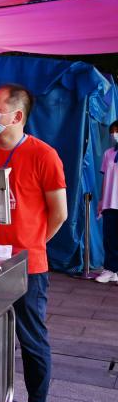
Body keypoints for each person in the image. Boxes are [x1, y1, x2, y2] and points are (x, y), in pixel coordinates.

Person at [0, 84, 67, 402]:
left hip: (28, 263)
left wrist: (33, 244)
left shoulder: (44, 155)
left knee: (31, 338)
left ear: (17, 116)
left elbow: (59, 213)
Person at [96, 120, 118, 283]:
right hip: (110, 203)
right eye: (112, 132)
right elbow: (105, 179)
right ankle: (110, 269)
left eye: (117, 131)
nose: (114, 135)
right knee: (109, 237)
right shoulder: (108, 154)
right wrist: (101, 200)